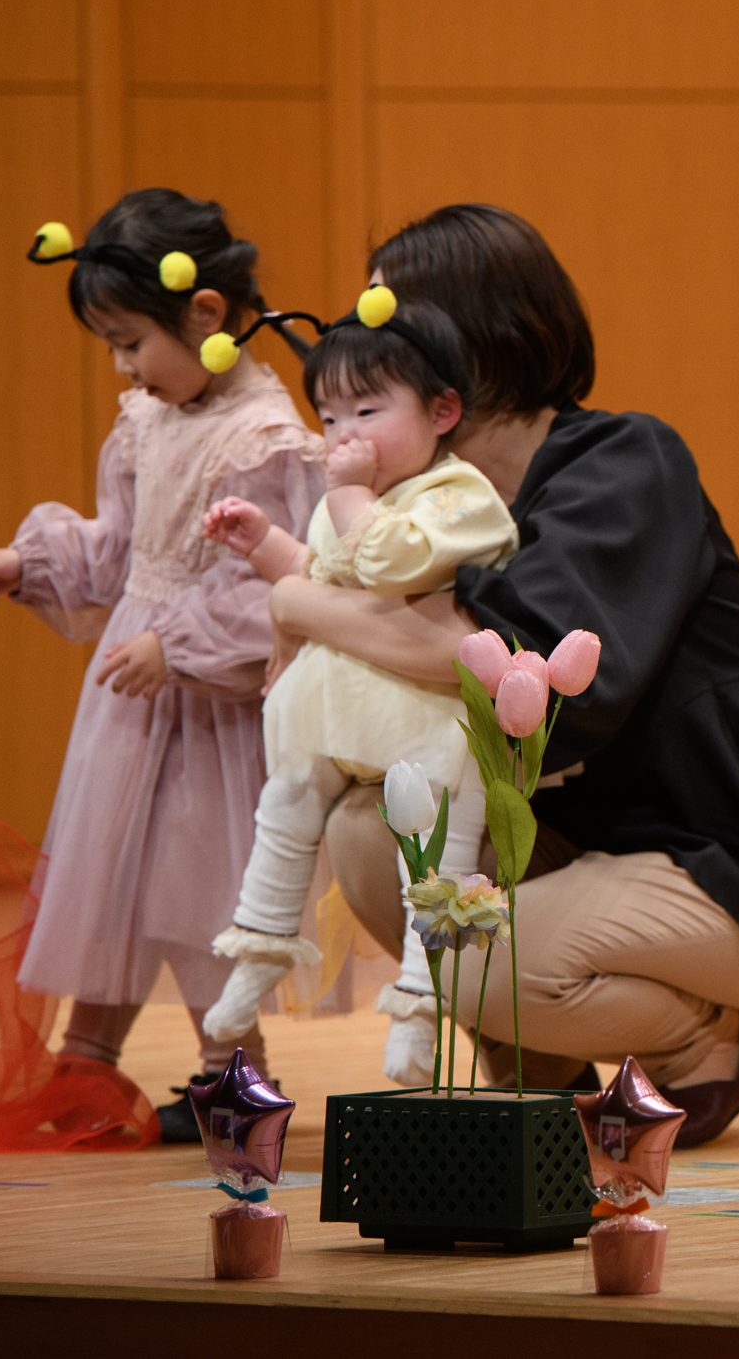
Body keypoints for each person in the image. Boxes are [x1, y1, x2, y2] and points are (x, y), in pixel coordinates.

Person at [265, 204, 739, 1145]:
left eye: (391, 318)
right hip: (582, 845)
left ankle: (704, 1045)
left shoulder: (626, 461)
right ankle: (537, 1063)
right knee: (374, 833)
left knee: (467, 963)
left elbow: (488, 657)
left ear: (468, 337)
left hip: (722, 871)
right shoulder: (434, 497)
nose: (364, 344)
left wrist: (300, 605)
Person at [0, 192, 325, 1143]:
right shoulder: (144, 424)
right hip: (131, 707)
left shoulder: (265, 437)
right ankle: (85, 1068)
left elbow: (283, 585)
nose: (124, 367)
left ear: (206, 315)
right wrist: (30, 563)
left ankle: (234, 1074)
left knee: (201, 889)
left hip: (212, 714)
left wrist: (177, 646)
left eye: (132, 342)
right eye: (111, 346)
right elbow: (122, 548)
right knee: (112, 878)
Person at [195, 292, 514, 1075]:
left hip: (430, 721)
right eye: (330, 418)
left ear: (443, 410)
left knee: (432, 869)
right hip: (336, 713)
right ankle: (259, 954)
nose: (345, 437)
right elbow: (324, 573)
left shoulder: (460, 495)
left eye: (368, 410)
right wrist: (266, 543)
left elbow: (391, 560)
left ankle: (418, 1014)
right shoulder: (358, 496)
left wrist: (345, 494)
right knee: (286, 808)